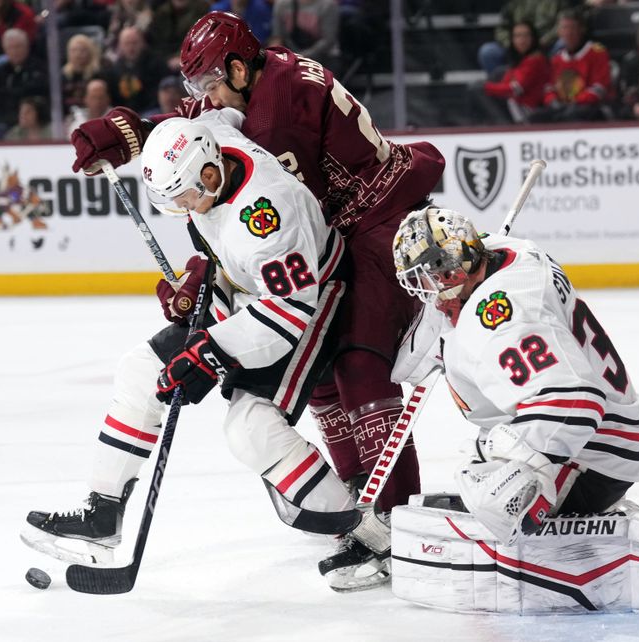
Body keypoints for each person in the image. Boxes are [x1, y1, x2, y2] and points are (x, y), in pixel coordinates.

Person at [67, 11, 445, 591]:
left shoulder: (283, 106)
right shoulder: (253, 83)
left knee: (359, 365)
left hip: (375, 220)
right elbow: (200, 134)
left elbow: (250, 211)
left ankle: (393, 524)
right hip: (331, 230)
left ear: (241, 69)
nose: (204, 99)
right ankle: (354, 509)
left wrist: (204, 283)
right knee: (319, 382)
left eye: (212, 83)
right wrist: (130, 135)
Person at [22, 110, 367, 585]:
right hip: (248, 288)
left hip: (311, 301)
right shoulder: (214, 144)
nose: (184, 207)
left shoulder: (268, 217)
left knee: (250, 430)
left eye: (184, 195)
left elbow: (291, 311)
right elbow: (214, 115)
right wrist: (133, 131)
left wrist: (211, 351)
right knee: (140, 370)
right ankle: (102, 517)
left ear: (210, 173)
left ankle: (366, 536)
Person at [388, 206, 639, 615]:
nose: (427, 290)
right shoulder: (516, 253)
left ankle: (631, 561)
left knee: (491, 491)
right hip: (609, 434)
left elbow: (573, 402)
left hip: (592, 450)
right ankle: (579, 513)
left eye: (431, 277)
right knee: (487, 454)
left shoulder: (499, 321)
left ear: (456, 268)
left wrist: (521, 470)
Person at [530, 8, 613, 123]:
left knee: (574, 115)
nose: (568, 33)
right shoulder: (557, 58)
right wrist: (553, 101)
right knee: (535, 117)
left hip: (589, 108)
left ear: (581, 29)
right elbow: (549, 86)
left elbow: (599, 88)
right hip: (563, 107)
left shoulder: (597, 53)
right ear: (559, 32)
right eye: (564, 28)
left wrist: (575, 103)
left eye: (572, 28)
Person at [476, 21, 551, 124]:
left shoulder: (536, 59)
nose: (522, 40)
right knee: (494, 78)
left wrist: (485, 87)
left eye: (526, 36)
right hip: (521, 108)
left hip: (535, 111)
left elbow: (515, 89)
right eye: (518, 36)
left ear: (533, 38)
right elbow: (505, 83)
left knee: (484, 91)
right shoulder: (517, 59)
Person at [477, 0, 569, 79]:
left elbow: (562, 25)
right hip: (517, 46)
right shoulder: (514, 2)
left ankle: (555, 90)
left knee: (563, 44)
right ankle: (505, 91)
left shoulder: (558, 2)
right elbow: (503, 27)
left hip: (545, 46)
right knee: (488, 51)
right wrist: (511, 43)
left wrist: (545, 41)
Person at [0, 27, 48, 138]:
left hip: (35, 124)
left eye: (18, 47)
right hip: (5, 123)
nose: (15, 51)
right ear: (5, 50)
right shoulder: (0, 71)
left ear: (27, 47)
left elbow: (40, 97)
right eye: (11, 48)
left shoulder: (39, 69)